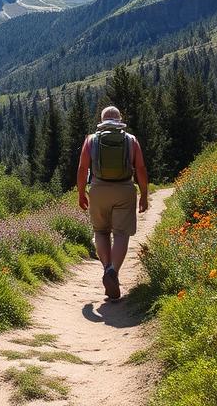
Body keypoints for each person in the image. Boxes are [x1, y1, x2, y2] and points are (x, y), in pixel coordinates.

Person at [76, 106, 149, 300]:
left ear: (101, 120)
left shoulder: (91, 140)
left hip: (99, 190)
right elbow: (140, 168)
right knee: (121, 234)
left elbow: (83, 168)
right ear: (120, 119)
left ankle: (107, 267)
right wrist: (144, 194)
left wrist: (81, 193)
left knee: (100, 232)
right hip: (124, 190)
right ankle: (113, 271)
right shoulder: (131, 140)